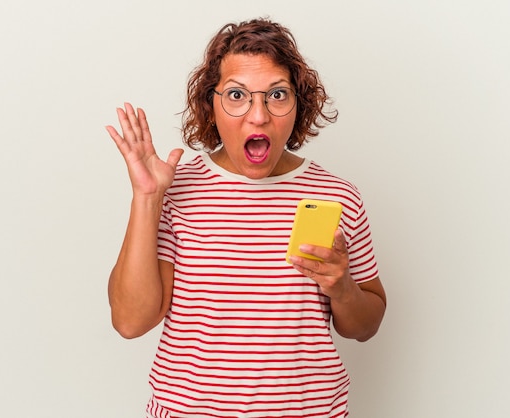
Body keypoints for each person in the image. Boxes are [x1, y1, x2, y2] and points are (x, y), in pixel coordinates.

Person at [105, 17, 386, 418]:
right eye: (237, 95)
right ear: (211, 105)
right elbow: (130, 322)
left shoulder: (337, 196)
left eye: (277, 95)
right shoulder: (176, 191)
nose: (258, 116)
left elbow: (366, 326)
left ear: (298, 105)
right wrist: (148, 198)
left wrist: (342, 289)